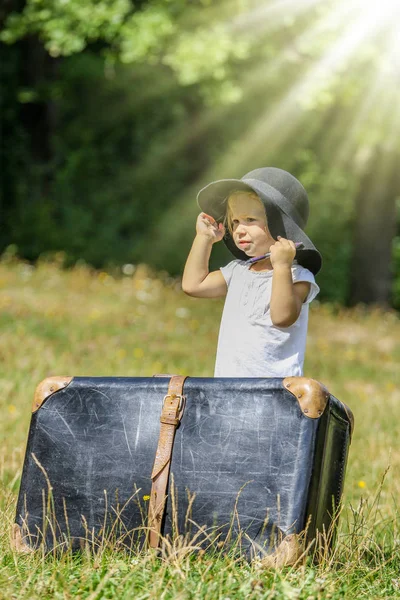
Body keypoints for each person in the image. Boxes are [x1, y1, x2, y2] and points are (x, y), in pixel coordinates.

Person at [182, 167, 322, 377]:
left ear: (281, 227)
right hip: (230, 390)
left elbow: (282, 317)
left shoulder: (298, 276)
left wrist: (282, 266)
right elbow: (193, 285)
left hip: (275, 396)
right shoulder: (237, 271)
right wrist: (204, 238)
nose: (239, 229)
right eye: (235, 221)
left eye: (250, 220)